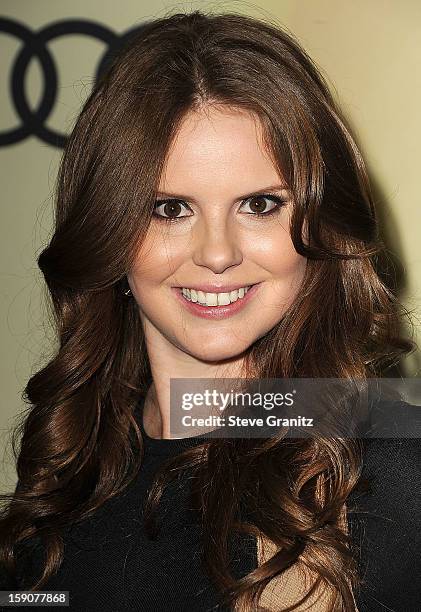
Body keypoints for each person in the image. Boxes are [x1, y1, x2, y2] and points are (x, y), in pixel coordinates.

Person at [0, 10, 420, 612]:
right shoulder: (70, 461)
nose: (217, 254)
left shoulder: (392, 471)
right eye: (170, 209)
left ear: (320, 226)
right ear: (110, 232)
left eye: (259, 204)